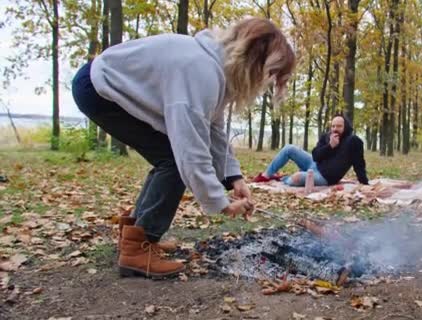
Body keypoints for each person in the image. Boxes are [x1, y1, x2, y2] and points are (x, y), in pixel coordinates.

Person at [72, 17, 295, 278]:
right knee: (173, 161)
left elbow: (214, 128)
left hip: (99, 84)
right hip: (99, 88)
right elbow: (191, 154)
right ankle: (137, 248)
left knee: (168, 158)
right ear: (255, 59)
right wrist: (220, 203)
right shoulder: (199, 70)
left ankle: (137, 235)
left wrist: (233, 177)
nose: (268, 83)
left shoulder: (215, 69)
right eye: (271, 74)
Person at [253, 115, 369, 186]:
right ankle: (266, 175)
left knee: (296, 178)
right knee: (289, 148)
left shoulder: (353, 141)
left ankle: (282, 178)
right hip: (314, 164)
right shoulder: (327, 136)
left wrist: (364, 182)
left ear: (346, 127)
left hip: (324, 177)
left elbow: (359, 164)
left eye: (339, 126)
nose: (335, 129)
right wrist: (330, 146)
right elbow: (315, 156)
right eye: (333, 126)